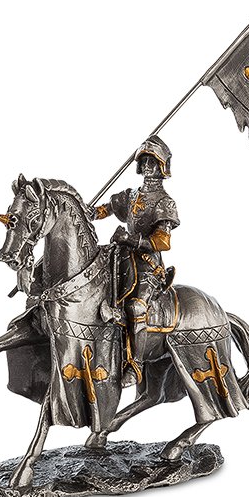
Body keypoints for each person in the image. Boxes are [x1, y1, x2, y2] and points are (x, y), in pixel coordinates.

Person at [93, 135, 179, 385]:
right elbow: (107, 208)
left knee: (137, 308)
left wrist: (131, 239)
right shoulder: (131, 195)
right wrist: (89, 212)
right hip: (121, 258)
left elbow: (163, 241)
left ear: (162, 167)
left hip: (147, 265)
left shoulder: (165, 202)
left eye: (153, 162)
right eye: (145, 162)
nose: (148, 166)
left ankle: (135, 365)